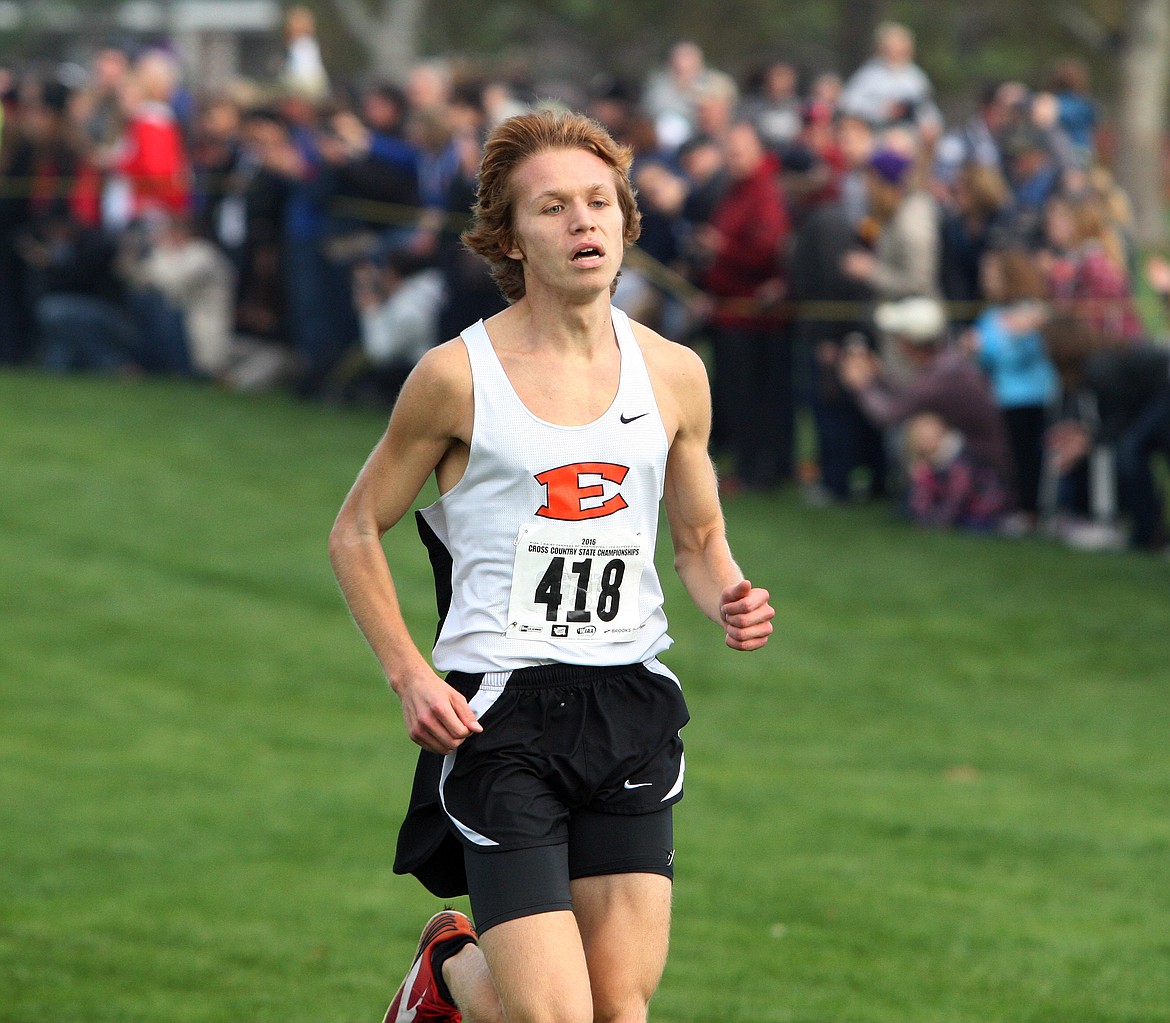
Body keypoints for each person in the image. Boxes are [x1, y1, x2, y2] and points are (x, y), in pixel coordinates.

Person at [328, 108, 775, 1023]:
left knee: (620, 1008)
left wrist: (730, 594)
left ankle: (447, 979)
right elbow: (357, 530)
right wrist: (410, 674)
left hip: (629, 702)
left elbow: (697, 542)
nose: (583, 222)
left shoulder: (674, 372)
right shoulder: (456, 377)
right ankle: (448, 964)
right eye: (554, 207)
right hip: (501, 713)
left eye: (600, 202)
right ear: (510, 238)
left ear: (626, 220)